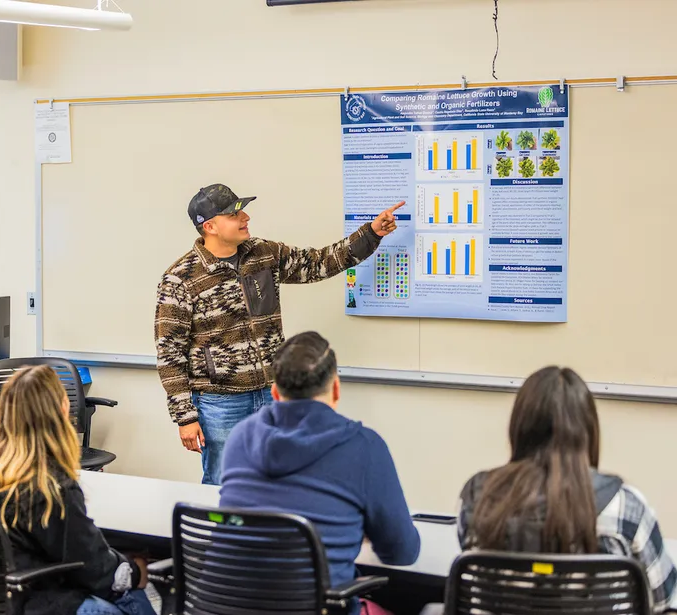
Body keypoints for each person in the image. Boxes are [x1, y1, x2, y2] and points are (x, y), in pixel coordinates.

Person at [155, 183, 405, 484]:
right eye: (234, 214)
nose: (245, 217)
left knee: (281, 479)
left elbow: (318, 263)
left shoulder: (264, 254)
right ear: (209, 226)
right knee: (225, 484)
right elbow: (169, 353)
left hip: (273, 394)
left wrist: (371, 233)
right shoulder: (181, 278)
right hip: (221, 404)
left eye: (243, 210)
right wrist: (186, 417)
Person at [219, 331, 420, 615]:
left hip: (228, 606)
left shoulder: (240, 437)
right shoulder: (364, 446)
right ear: (336, 389)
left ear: (275, 394)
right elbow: (402, 552)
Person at [0, 365, 155, 615]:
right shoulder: (48, 481)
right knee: (129, 593)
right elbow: (94, 571)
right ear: (63, 410)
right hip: (22, 603)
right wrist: (134, 570)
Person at [458, 366, 677, 613]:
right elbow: (662, 599)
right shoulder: (627, 507)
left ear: (519, 428)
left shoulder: (478, 497)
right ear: (588, 432)